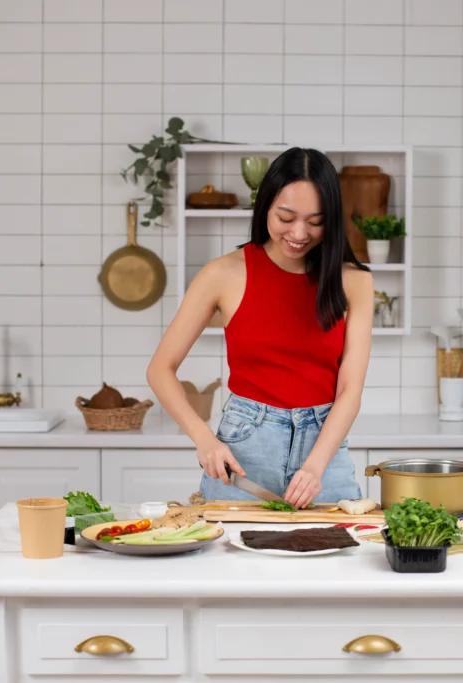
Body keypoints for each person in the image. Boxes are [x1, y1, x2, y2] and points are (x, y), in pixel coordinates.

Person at [146, 147, 374, 509]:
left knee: (340, 558)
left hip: (324, 452)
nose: (299, 233)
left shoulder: (354, 282)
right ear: (266, 206)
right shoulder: (222, 273)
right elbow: (160, 369)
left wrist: (315, 467)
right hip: (244, 451)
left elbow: (350, 389)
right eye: (286, 217)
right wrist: (204, 440)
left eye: (315, 221)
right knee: (231, 563)